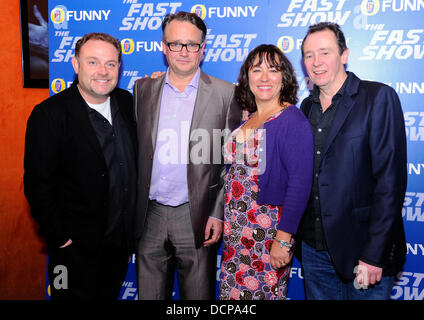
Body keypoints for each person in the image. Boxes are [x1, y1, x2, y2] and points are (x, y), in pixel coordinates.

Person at [134, 11, 240, 300]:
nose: (183, 51)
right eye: (175, 44)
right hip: (149, 215)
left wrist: (217, 213)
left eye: (191, 44)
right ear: (163, 47)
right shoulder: (142, 89)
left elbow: (228, 164)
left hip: (195, 216)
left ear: (203, 48)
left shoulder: (225, 93)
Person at [298, 22, 407, 300]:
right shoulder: (306, 107)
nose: (316, 62)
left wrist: (373, 254)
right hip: (314, 250)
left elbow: (390, 184)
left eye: (325, 52)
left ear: (344, 55)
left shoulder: (377, 97)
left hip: (364, 253)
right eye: (309, 55)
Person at [24, 32, 137, 300]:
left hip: (117, 246)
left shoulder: (127, 102)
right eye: (93, 62)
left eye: (111, 63)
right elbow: (37, 184)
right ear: (76, 65)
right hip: (72, 252)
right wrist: (61, 239)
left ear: (119, 67)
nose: (103, 71)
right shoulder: (49, 114)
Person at [219, 44, 314, 300]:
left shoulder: (291, 119)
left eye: (273, 70)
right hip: (236, 231)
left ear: (284, 78)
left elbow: (300, 183)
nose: (263, 77)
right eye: (256, 69)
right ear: (246, 77)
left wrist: (283, 239)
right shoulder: (247, 120)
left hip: (267, 233)